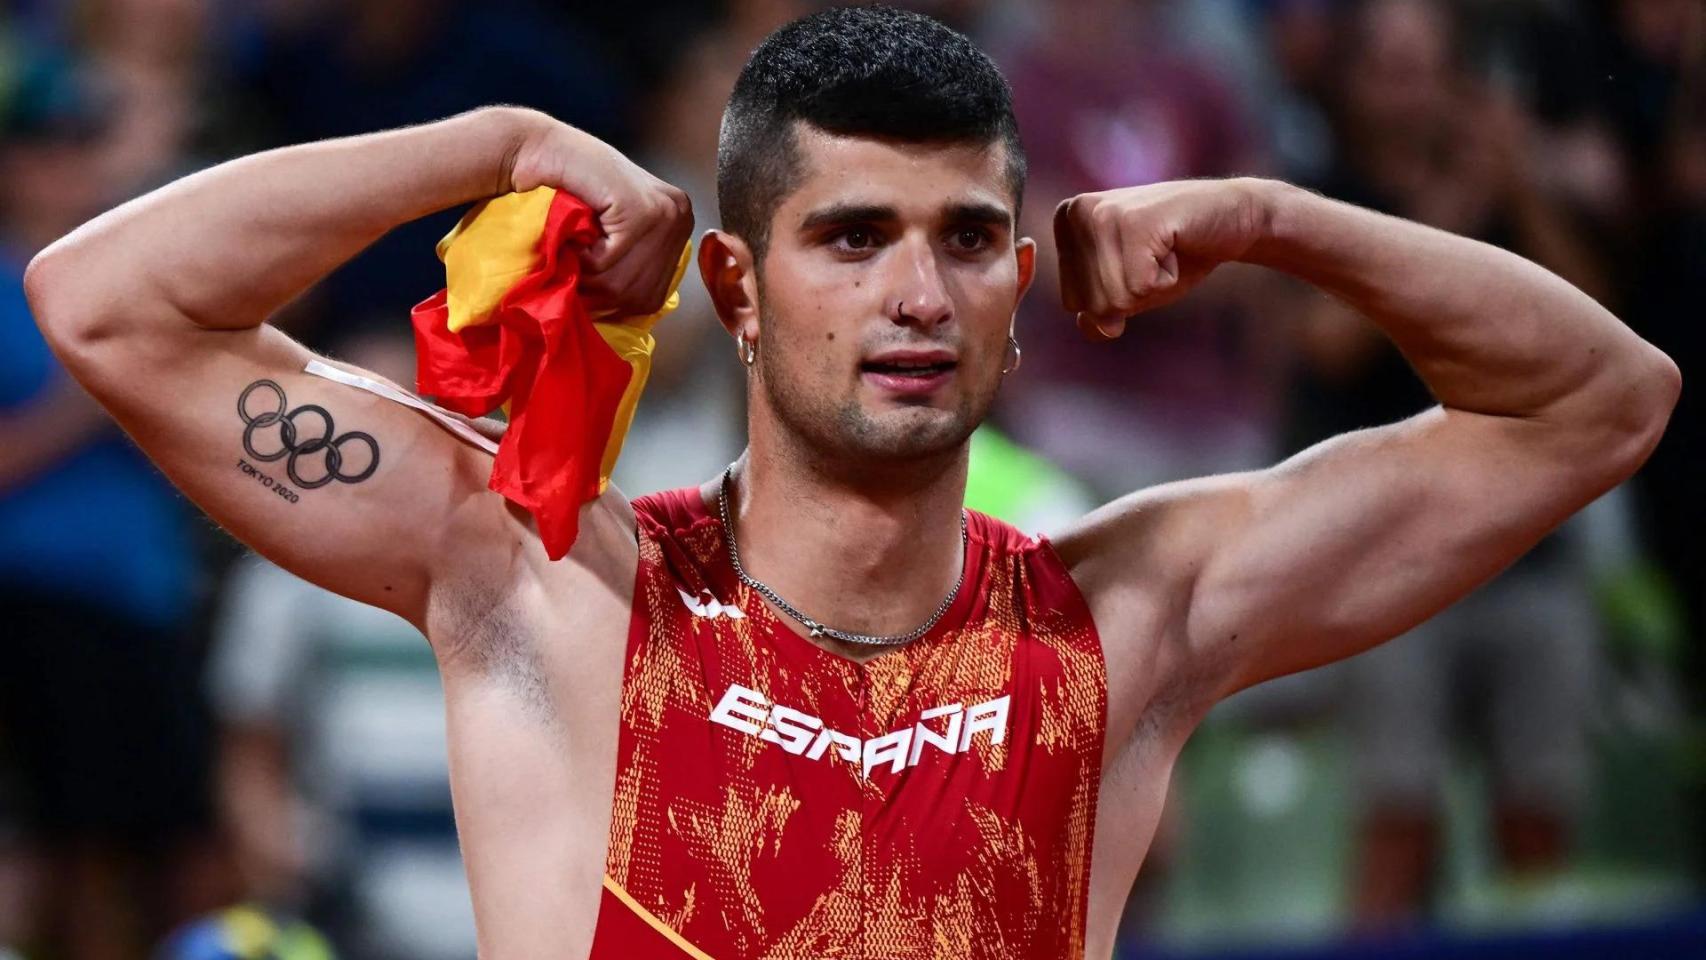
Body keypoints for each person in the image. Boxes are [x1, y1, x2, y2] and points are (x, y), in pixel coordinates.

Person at [23, 7, 1678, 959]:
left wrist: (1270, 215)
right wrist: (495, 145)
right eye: (852, 236)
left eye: (966, 240)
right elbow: (107, 300)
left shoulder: (1127, 616)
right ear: (737, 290)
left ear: (1018, 285)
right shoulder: (551, 583)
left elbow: (1599, 404)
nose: (915, 293)